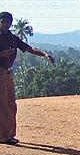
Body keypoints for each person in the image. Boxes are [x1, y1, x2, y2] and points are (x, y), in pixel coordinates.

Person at [0, 11, 55, 145]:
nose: (6, 24)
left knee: (11, 104)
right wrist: (2, 54)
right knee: (3, 105)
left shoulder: (12, 38)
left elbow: (28, 48)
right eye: (3, 22)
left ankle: (10, 134)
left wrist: (44, 54)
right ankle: (3, 136)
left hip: (8, 73)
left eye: (8, 22)